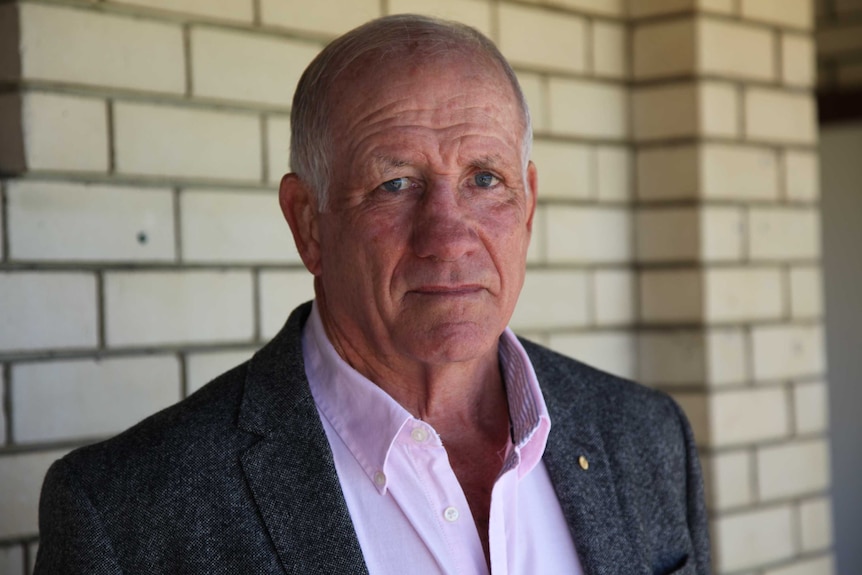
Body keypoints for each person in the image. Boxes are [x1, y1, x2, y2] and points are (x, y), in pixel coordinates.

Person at [34, 14, 710, 575]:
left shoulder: (648, 438)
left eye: (484, 178)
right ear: (308, 224)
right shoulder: (127, 513)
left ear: (528, 207)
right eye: (395, 184)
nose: (449, 237)